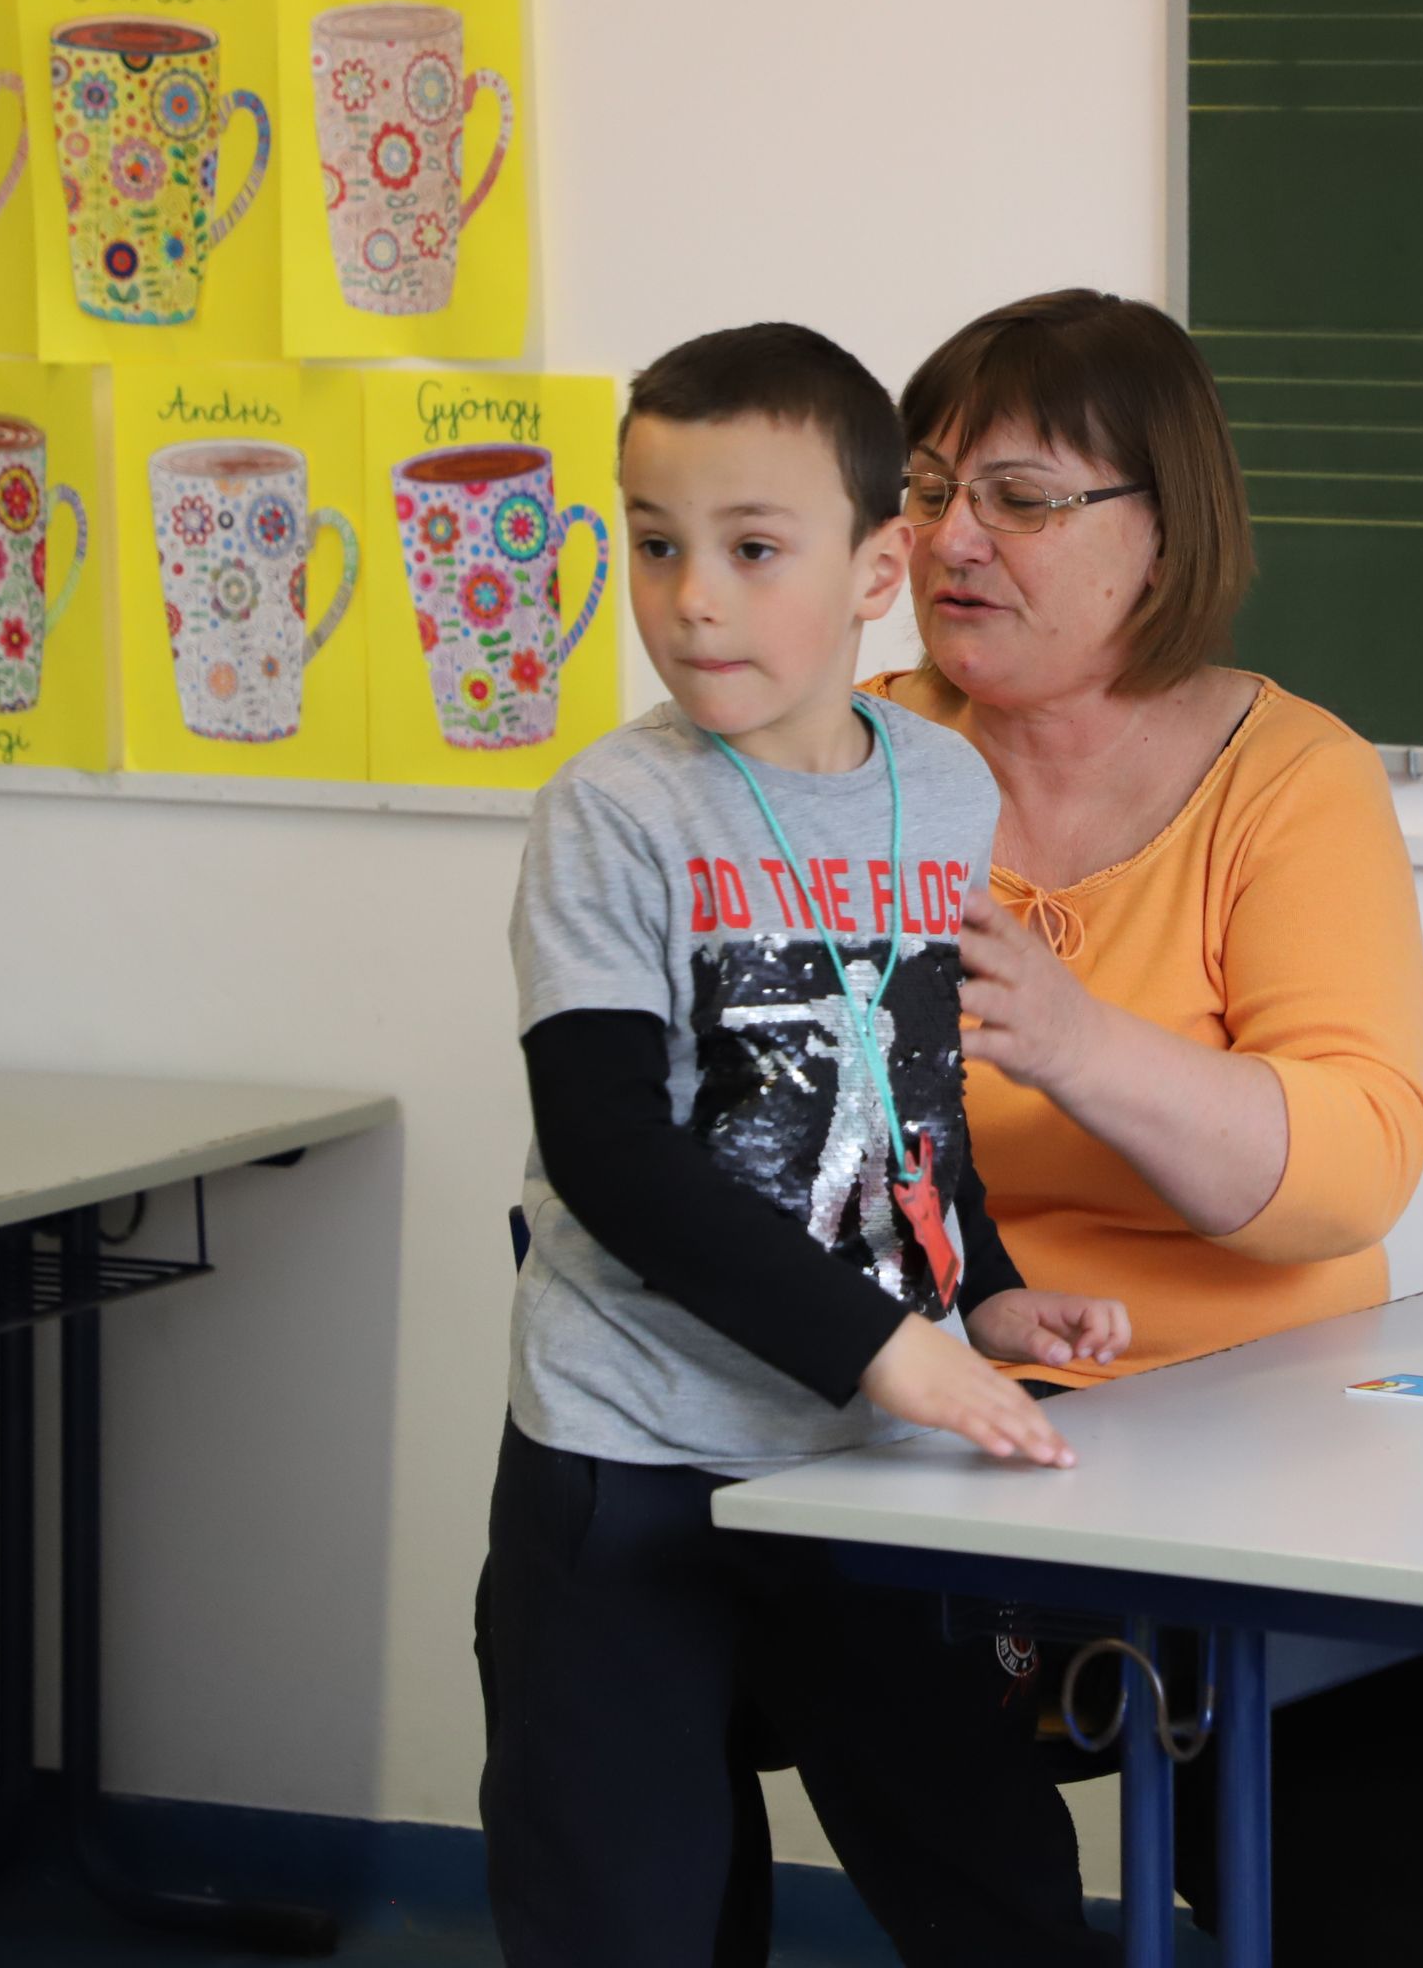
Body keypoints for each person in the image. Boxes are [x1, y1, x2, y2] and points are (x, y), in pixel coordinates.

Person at [474, 321, 1130, 1968]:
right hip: (631, 1463)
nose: (693, 598)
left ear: (878, 570)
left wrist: (983, 1293)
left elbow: (909, 1096)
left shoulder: (942, 788)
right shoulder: (616, 811)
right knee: (639, 1916)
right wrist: (892, 1348)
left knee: (996, 1891)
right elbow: (609, 1155)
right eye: (656, 544)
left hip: (863, 1463)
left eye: (753, 549)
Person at [874, 289, 1423, 1965]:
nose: (952, 538)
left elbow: (1354, 1165)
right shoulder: (846, 762)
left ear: (1162, 532)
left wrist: (1080, 1042)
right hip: (944, 1407)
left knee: (1379, 1860)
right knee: (773, 1631)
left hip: (1268, 1423)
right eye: (927, 489)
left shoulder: (1289, 778)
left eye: (1020, 498)